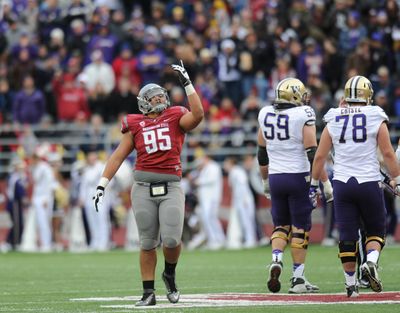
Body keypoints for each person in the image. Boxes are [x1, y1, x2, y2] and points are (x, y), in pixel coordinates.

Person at [92, 60, 204, 306]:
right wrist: (102, 183)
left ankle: (170, 274)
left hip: (171, 185)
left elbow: (198, 115)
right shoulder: (135, 124)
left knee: (172, 240)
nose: (158, 100)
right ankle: (148, 292)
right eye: (153, 98)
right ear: (143, 102)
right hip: (142, 187)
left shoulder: (175, 117)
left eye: (160, 96)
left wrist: (187, 83)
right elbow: (118, 156)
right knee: (147, 242)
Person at [309, 75, 400, 297]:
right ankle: (370, 261)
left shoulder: (334, 116)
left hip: (342, 183)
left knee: (347, 236)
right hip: (369, 181)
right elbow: (388, 153)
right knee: (377, 230)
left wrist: (313, 185)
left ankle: (351, 285)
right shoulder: (375, 114)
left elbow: (319, 157)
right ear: (367, 94)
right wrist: (397, 177)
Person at [257, 77, 333, 294]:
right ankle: (298, 279)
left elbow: (261, 153)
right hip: (298, 176)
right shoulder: (303, 114)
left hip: (276, 177)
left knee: (281, 225)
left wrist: (265, 180)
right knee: (300, 226)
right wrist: (324, 182)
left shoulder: (265, 113)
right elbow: (313, 153)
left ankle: (276, 259)